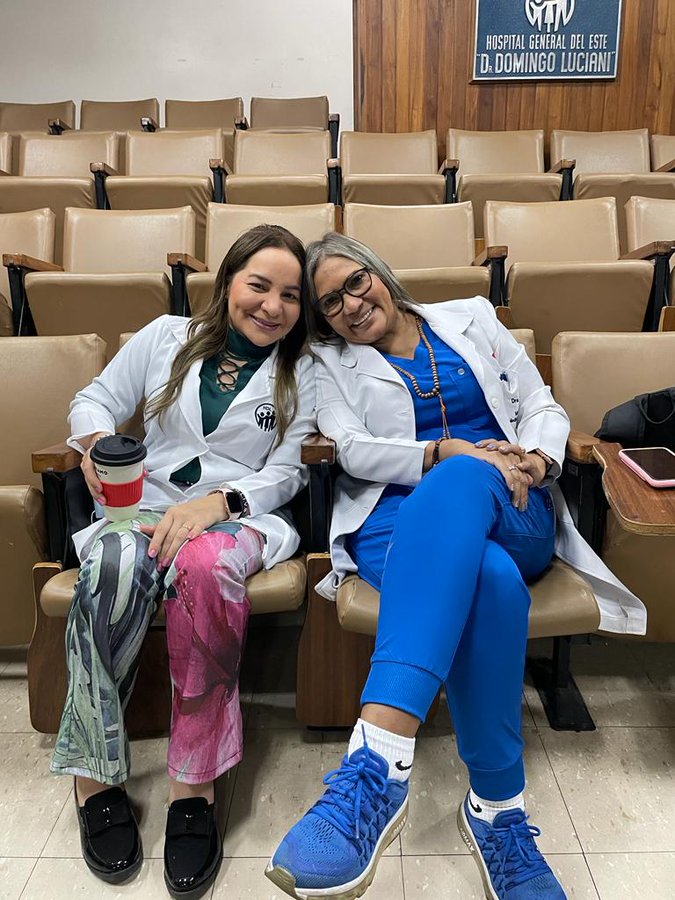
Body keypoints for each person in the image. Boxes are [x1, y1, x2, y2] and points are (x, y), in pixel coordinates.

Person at [267, 234, 646, 900]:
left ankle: (378, 760)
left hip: (513, 501)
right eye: (329, 302)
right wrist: (442, 452)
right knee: (490, 578)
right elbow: (350, 448)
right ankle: (498, 813)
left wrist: (538, 459)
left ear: (379, 273)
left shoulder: (471, 315)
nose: (350, 304)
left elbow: (540, 404)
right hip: (392, 519)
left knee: (467, 483)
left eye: (356, 282)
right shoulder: (326, 362)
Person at [50, 224, 315, 899]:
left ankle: (193, 786)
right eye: (258, 285)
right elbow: (93, 400)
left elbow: (290, 472)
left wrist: (220, 503)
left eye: (290, 295)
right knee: (110, 568)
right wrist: (97, 442)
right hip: (146, 505)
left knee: (205, 569)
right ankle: (94, 775)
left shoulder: (305, 370)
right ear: (228, 282)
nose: (272, 306)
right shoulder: (165, 336)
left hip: (238, 516)